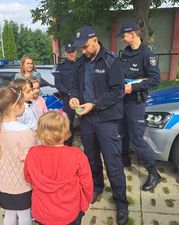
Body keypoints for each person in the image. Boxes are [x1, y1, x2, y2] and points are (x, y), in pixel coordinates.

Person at [69, 25, 129, 225]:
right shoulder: (80, 63)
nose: (83, 51)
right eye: (81, 48)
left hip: (106, 120)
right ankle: (97, 188)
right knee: (91, 158)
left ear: (95, 40)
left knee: (113, 162)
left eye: (85, 47)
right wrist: (74, 98)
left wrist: (94, 104)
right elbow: (75, 87)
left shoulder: (112, 61)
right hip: (86, 120)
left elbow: (117, 92)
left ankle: (121, 202)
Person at [24, 110, 93, 225]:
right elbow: (87, 183)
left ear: (40, 132)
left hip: (43, 211)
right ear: (65, 130)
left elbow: (28, 177)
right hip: (70, 210)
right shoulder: (76, 155)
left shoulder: (32, 153)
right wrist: (88, 200)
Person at [119, 21, 161, 191]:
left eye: (124, 35)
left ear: (133, 34)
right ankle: (125, 159)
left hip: (136, 101)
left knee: (136, 138)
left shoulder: (147, 55)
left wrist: (133, 87)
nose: (122, 38)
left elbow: (155, 79)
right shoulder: (126, 53)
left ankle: (154, 173)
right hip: (122, 99)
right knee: (122, 132)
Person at [0, 87, 38, 225]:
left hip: (2, 183)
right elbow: (31, 159)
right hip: (22, 185)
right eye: (23, 104)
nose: (25, 106)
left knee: (10, 212)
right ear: (14, 107)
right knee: (25, 215)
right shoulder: (24, 131)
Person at [53, 43, 77, 146]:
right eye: (69, 52)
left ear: (76, 51)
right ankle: (68, 145)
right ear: (65, 53)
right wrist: (69, 93)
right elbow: (58, 83)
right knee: (68, 123)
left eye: (73, 51)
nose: (71, 54)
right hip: (68, 99)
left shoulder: (82, 63)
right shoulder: (61, 66)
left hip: (82, 98)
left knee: (85, 123)